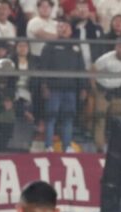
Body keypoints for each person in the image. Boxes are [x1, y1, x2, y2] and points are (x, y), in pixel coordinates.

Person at [40, 20, 86, 152]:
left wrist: (83, 87)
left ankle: (67, 146)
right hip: (53, 89)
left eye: (66, 26)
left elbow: (81, 68)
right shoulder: (49, 46)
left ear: (71, 31)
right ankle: (48, 146)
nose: (63, 29)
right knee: (51, 117)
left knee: (68, 118)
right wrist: (44, 85)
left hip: (70, 89)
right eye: (60, 27)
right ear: (57, 30)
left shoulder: (76, 47)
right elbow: (43, 67)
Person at [92, 39, 121, 152]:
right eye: (120, 47)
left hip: (117, 92)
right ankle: (99, 148)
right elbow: (92, 71)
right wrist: (95, 91)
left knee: (119, 121)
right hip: (103, 91)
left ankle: (117, 147)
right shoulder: (105, 58)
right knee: (100, 120)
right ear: (116, 47)